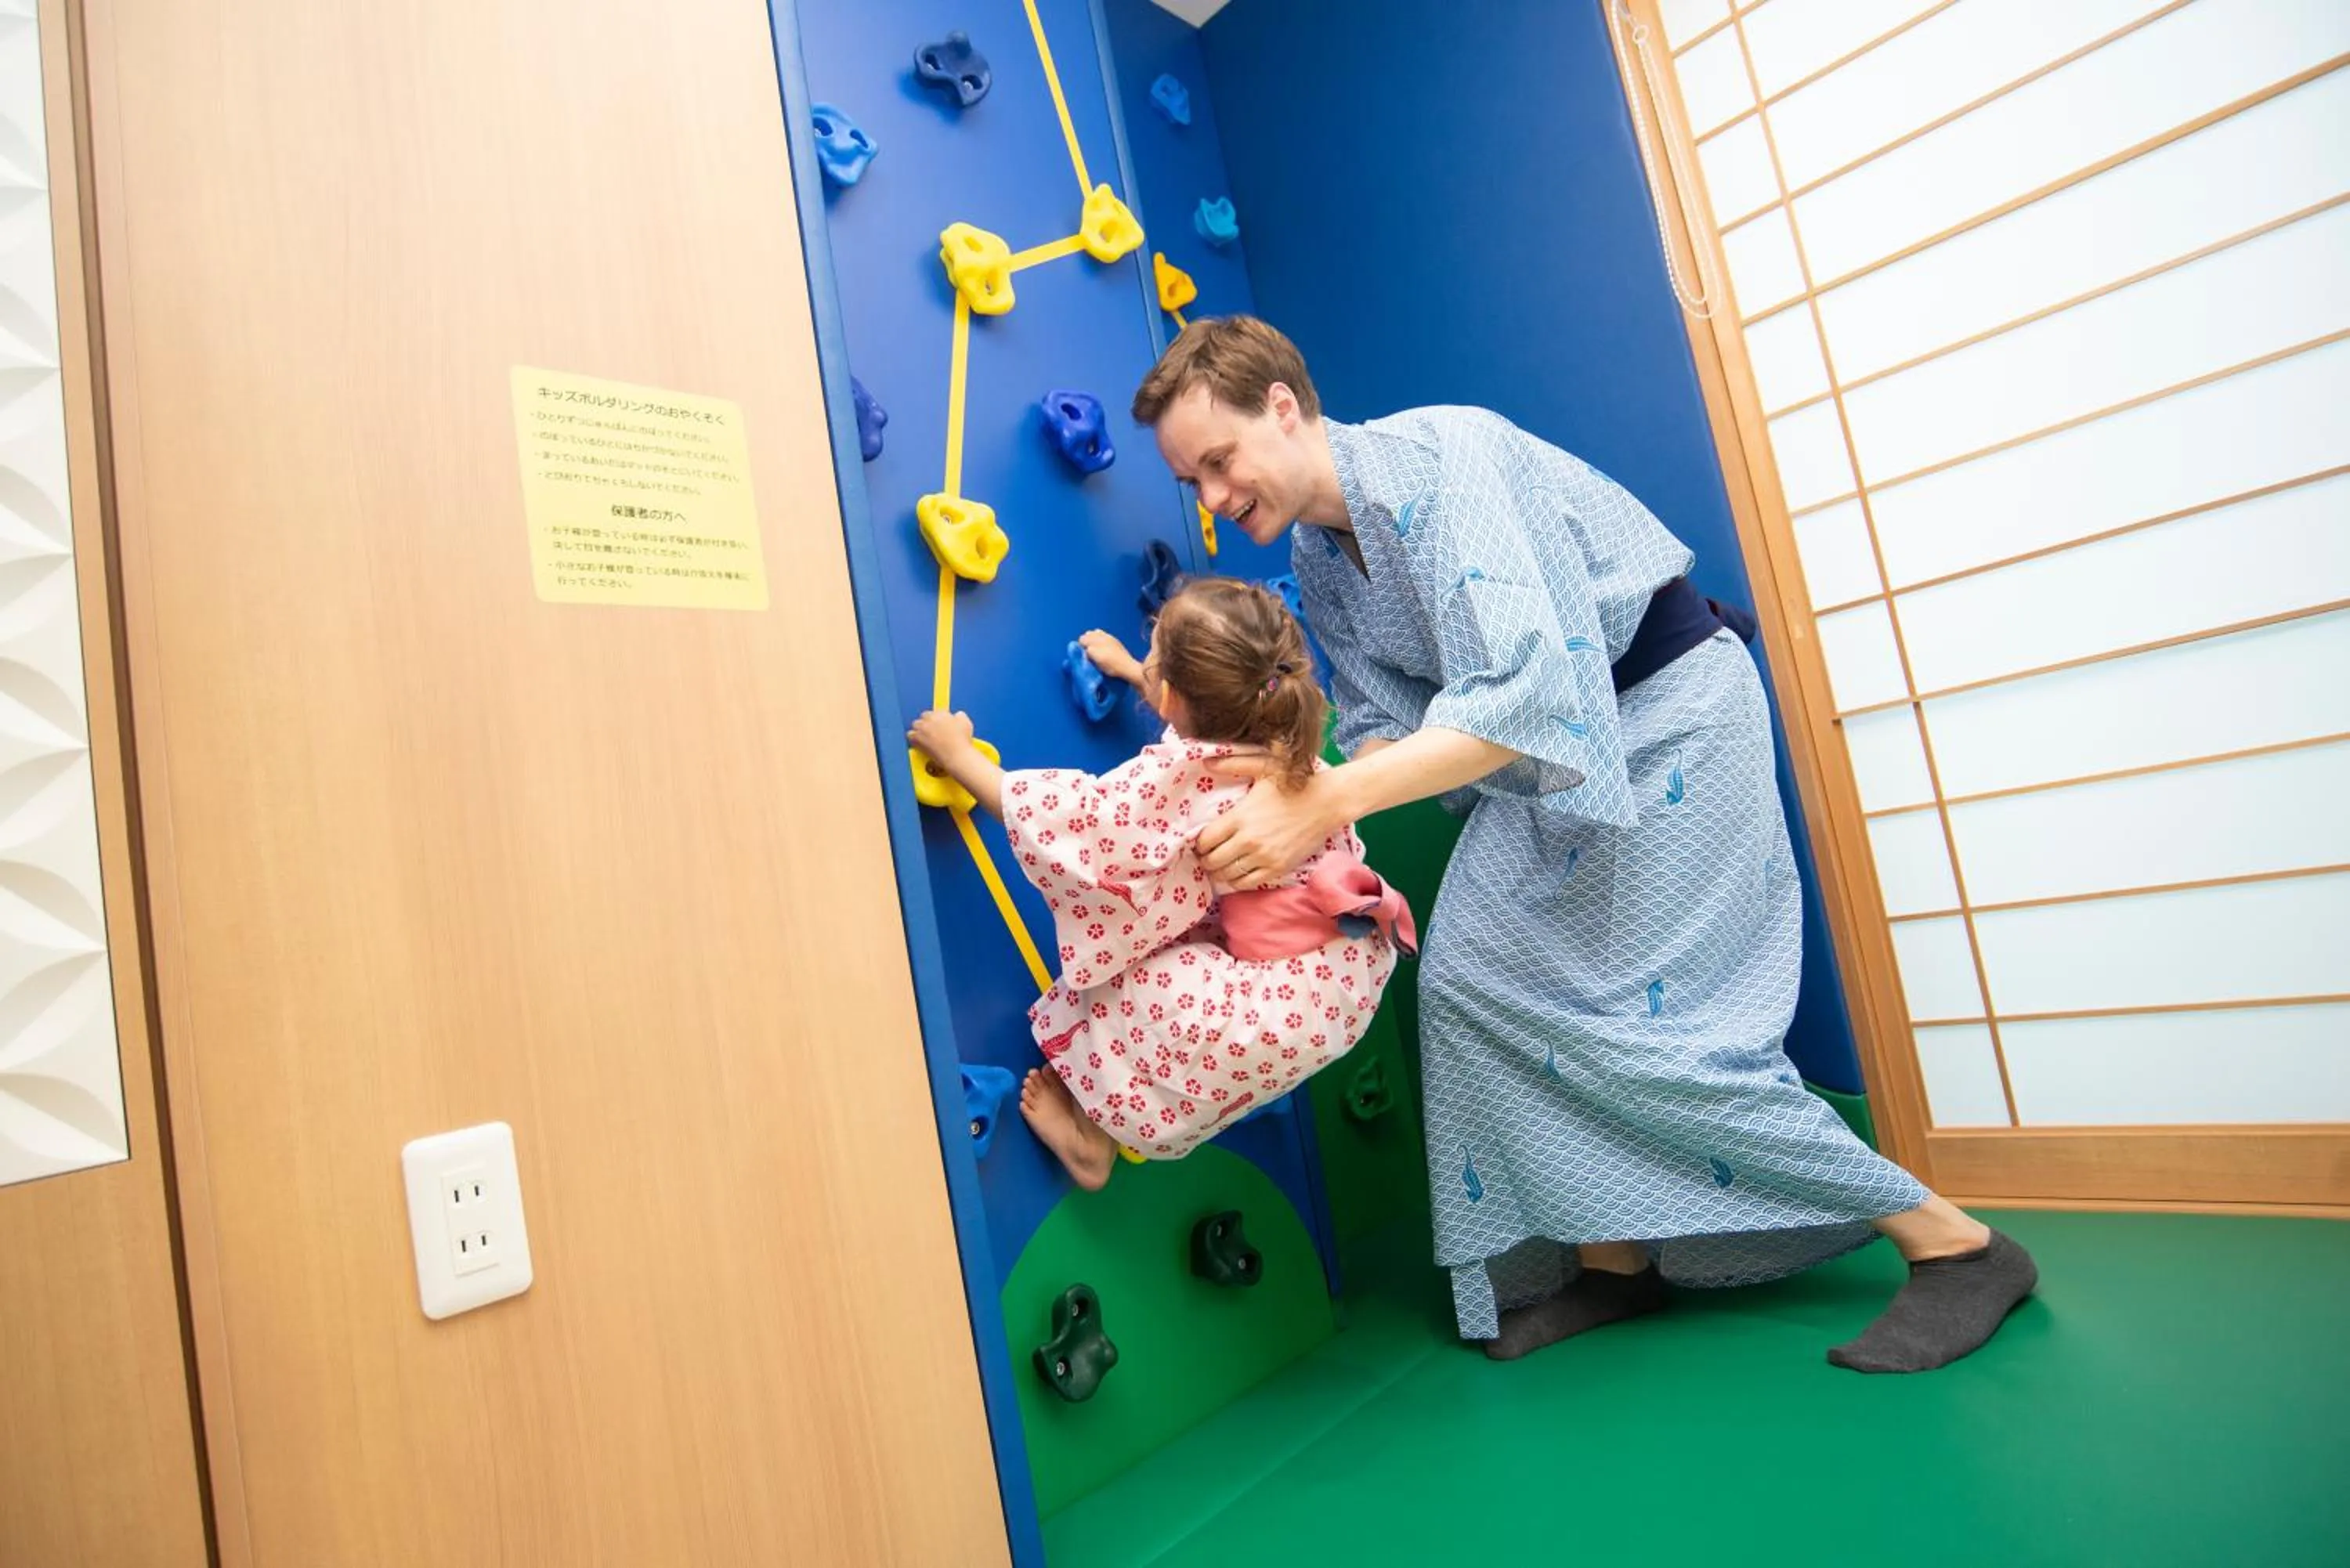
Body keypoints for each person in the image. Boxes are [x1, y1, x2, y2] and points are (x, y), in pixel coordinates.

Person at [1130, 316, 2036, 1374]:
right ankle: (1616, 1262)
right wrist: (1300, 793)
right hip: (1535, 758)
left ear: (1283, 407)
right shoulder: (1316, 564)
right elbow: (1387, 722)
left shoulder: (1446, 459)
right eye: (1191, 479)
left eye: (1219, 461)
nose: (1212, 497)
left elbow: (1521, 693)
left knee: (1670, 1033)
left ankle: (1956, 1244)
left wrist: (1326, 795)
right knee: (1465, 982)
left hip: (1672, 713)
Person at [908, 576, 1416, 1190]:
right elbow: (1206, 708)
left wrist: (962, 758)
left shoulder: (1191, 779)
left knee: (1146, 984)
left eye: (1154, 661)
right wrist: (1129, 668)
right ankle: (1123, 1109)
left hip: (1268, 1006)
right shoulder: (1281, 723)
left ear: (1173, 695)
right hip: (1342, 979)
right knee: (1184, 947)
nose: (1146, 664)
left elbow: (1078, 828)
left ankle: (1094, 1137)